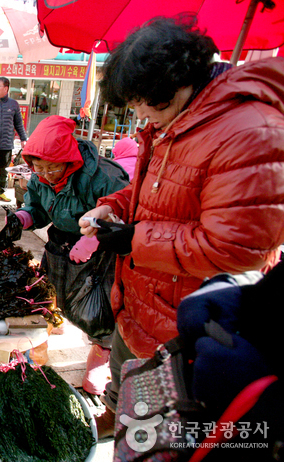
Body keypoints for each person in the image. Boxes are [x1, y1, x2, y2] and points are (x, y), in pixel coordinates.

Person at [76, 16, 284, 438]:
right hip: (138, 299)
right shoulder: (170, 122)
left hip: (187, 317)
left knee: (156, 428)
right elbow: (149, 193)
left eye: (141, 103)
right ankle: (115, 416)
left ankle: (131, 436)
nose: (139, 115)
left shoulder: (252, 132)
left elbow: (236, 251)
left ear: (177, 84)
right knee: (125, 379)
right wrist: (109, 208)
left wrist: (135, 239)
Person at [0, 115, 129, 395]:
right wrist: (21, 218)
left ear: (69, 159)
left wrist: (95, 240)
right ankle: (41, 345)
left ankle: (97, 363)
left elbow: (126, 216)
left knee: (98, 313)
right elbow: (38, 208)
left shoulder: (104, 177)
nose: (46, 173)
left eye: (52, 167)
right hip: (60, 243)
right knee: (45, 296)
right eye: (38, 167)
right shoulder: (40, 176)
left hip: (99, 250)